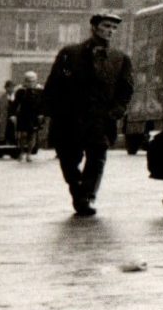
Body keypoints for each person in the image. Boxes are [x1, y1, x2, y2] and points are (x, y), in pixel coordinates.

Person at [44, 11, 133, 216]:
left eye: (113, 27)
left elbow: (126, 89)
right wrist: (48, 111)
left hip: (101, 119)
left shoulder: (120, 59)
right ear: (94, 28)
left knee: (97, 157)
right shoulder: (70, 53)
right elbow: (54, 82)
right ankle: (77, 190)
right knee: (68, 159)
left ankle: (87, 197)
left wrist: (117, 110)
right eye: (106, 26)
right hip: (69, 117)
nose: (110, 31)